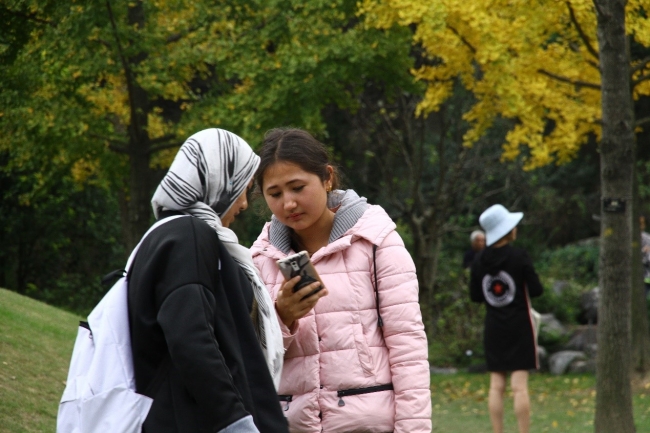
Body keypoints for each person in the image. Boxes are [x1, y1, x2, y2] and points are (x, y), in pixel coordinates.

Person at [250, 128, 431, 433]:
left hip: (366, 423)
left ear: (327, 178)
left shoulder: (375, 243)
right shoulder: (260, 258)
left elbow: (408, 349)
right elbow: (251, 360)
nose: (289, 203)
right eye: (275, 194)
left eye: (298, 187)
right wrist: (281, 317)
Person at [127, 128, 289, 433]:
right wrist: (235, 422)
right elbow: (192, 339)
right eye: (242, 188)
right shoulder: (189, 236)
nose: (244, 204)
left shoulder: (166, 235)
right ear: (219, 183)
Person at [469, 204, 543, 433]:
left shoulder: (478, 261)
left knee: (496, 386)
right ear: (507, 230)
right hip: (520, 326)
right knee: (519, 387)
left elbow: (476, 296)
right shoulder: (519, 256)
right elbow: (536, 289)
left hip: (494, 327)